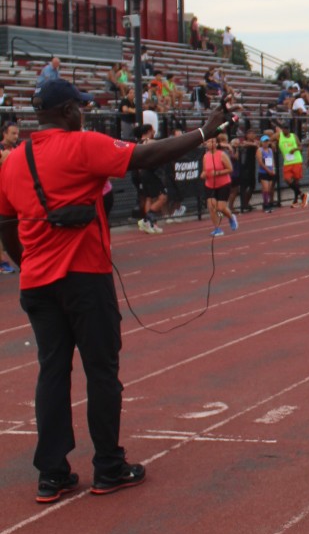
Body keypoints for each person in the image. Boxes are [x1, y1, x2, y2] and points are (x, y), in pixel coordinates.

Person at [0, 76, 229, 502]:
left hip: (37, 284)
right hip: (85, 278)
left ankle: (52, 474)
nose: (83, 113)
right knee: (101, 371)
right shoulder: (83, 144)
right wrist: (204, 131)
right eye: (80, 107)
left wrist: (25, 262)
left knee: (52, 372)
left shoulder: (13, 160)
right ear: (67, 111)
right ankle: (108, 466)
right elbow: (146, 156)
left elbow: (6, 223)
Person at [202, 133, 235, 235]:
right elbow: (205, 170)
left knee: (220, 208)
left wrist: (218, 173)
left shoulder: (222, 154)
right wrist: (203, 174)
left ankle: (231, 217)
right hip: (210, 184)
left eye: (213, 142)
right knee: (211, 207)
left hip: (223, 184)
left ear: (216, 144)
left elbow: (230, 169)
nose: (210, 144)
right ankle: (217, 228)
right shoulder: (205, 156)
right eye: (208, 142)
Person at [0, 120, 19, 272]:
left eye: (17, 133)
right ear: (4, 134)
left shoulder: (17, 149)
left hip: (12, 193)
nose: (16, 136)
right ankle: (1, 262)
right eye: (13, 133)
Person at [278, 124, 306, 205]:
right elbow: (270, 137)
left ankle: (296, 199)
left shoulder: (294, 136)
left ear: (289, 130)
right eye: (284, 129)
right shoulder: (279, 136)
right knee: (287, 179)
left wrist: (295, 149)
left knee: (296, 181)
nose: (285, 130)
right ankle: (302, 194)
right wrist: (272, 143)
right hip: (287, 162)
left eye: (287, 129)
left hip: (296, 160)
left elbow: (301, 147)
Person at [256, 133, 277, 211]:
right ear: (261, 142)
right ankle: (265, 204)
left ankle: (268, 203)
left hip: (270, 171)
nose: (266, 143)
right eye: (264, 141)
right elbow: (260, 162)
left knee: (270, 189)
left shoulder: (270, 150)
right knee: (266, 189)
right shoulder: (259, 150)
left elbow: (272, 160)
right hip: (263, 172)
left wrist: (273, 169)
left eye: (267, 141)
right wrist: (268, 170)